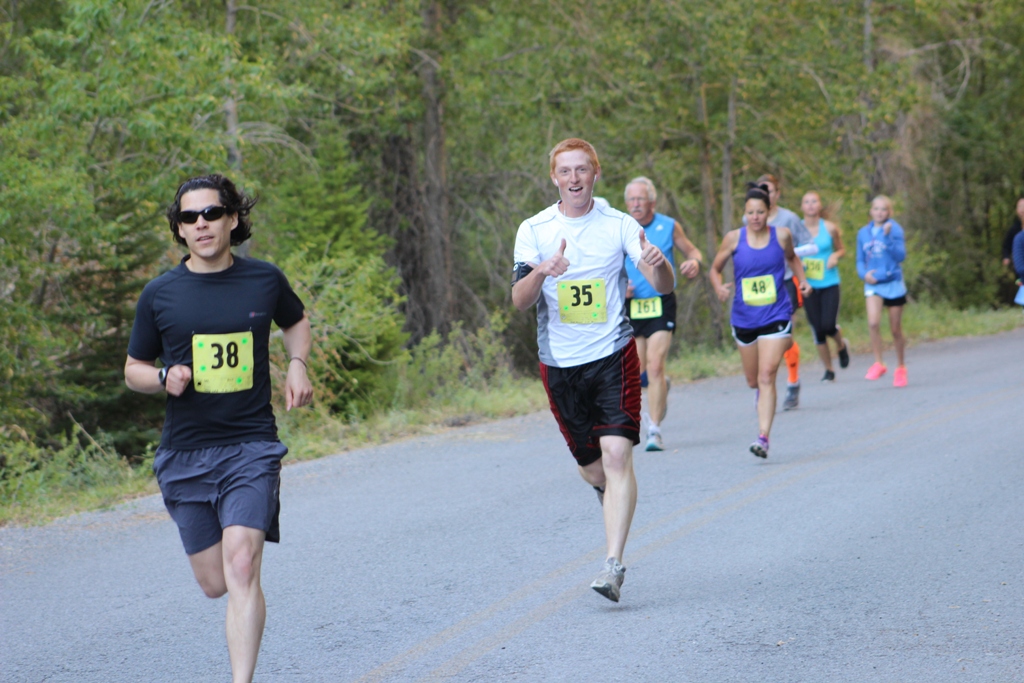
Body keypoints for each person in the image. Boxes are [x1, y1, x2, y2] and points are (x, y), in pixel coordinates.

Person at [124, 174, 313, 683]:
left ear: (233, 219)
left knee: (242, 563)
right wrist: (165, 376)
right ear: (180, 230)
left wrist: (298, 363)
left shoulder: (264, 280)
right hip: (185, 453)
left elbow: (295, 321)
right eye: (190, 217)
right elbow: (134, 369)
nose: (201, 224)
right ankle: (239, 595)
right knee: (215, 583)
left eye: (211, 213)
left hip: (250, 445)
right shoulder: (160, 294)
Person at [512, 138, 674, 602]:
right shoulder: (534, 229)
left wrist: (658, 267)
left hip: (612, 355)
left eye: (582, 169)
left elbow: (662, 286)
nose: (575, 178)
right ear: (554, 178)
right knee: (593, 470)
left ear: (596, 173)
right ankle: (608, 496)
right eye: (566, 171)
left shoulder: (619, 224)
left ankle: (613, 564)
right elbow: (519, 302)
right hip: (560, 365)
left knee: (619, 456)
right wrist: (541, 271)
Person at [710, 182, 812, 459]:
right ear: (745, 214)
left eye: (760, 212)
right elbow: (715, 269)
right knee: (753, 380)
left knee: (768, 375)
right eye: (750, 212)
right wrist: (719, 286)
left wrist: (802, 281)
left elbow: (793, 259)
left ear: (769, 212)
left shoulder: (782, 235)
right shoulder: (733, 239)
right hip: (744, 318)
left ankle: (763, 437)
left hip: (776, 314)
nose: (755, 217)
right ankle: (760, 395)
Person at [622, 176, 703, 451]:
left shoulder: (668, 225)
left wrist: (693, 261)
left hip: (661, 301)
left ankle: (654, 430)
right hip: (631, 307)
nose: (635, 204)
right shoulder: (621, 228)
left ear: (652, 202)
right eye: (631, 199)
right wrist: (620, 289)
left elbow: (692, 250)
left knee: (655, 365)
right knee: (638, 372)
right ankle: (661, 387)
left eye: (640, 199)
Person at [747, 174, 812, 410]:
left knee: (783, 338)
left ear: (777, 193)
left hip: (784, 281)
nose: (765, 193)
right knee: (758, 336)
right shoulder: (749, 218)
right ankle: (764, 386)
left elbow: (809, 244)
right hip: (757, 285)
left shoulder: (789, 219)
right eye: (760, 189)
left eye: (769, 190)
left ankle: (793, 381)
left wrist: (789, 254)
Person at [855, 195, 908, 387]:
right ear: (871, 211)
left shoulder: (895, 229)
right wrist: (863, 274)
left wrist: (887, 237)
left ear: (889, 212)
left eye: (883, 209)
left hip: (892, 283)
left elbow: (900, 256)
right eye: (876, 209)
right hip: (873, 283)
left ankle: (901, 367)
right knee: (873, 322)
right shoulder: (863, 233)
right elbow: (860, 259)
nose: (879, 212)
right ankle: (879, 362)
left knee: (895, 329)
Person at [798, 191, 850, 381]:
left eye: (814, 201)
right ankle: (829, 370)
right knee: (817, 329)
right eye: (807, 202)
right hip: (808, 285)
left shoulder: (829, 228)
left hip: (829, 282)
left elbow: (841, 248)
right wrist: (798, 264)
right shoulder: (796, 230)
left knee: (828, 324)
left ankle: (841, 345)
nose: (811, 205)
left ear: (820, 205)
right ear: (802, 207)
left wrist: (835, 256)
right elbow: (790, 253)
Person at [1000, 197, 1023, 268]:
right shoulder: (1013, 230)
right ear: (1017, 210)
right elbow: (1006, 246)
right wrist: (1006, 257)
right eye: (1020, 207)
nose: (1023, 210)